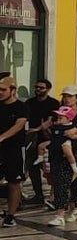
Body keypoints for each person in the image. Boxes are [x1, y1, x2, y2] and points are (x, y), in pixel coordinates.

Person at [48, 89, 77, 225]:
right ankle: (73, 208)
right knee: (64, 180)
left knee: (69, 180)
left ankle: (61, 213)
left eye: (70, 96)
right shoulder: (60, 112)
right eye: (64, 96)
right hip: (59, 151)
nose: (67, 99)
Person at [23, 78, 59, 208]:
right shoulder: (30, 102)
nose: (38, 89)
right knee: (32, 167)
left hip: (47, 138)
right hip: (32, 138)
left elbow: (51, 120)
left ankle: (54, 196)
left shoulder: (53, 103)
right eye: (37, 87)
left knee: (50, 168)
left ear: (48, 89)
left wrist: (38, 128)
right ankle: (38, 194)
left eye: (41, 88)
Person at [0, 76, 27, 226]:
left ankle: (11, 215)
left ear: (13, 90)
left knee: (13, 182)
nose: (0, 92)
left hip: (14, 149)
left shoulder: (21, 107)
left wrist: (3, 137)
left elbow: (19, 124)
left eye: (3, 90)